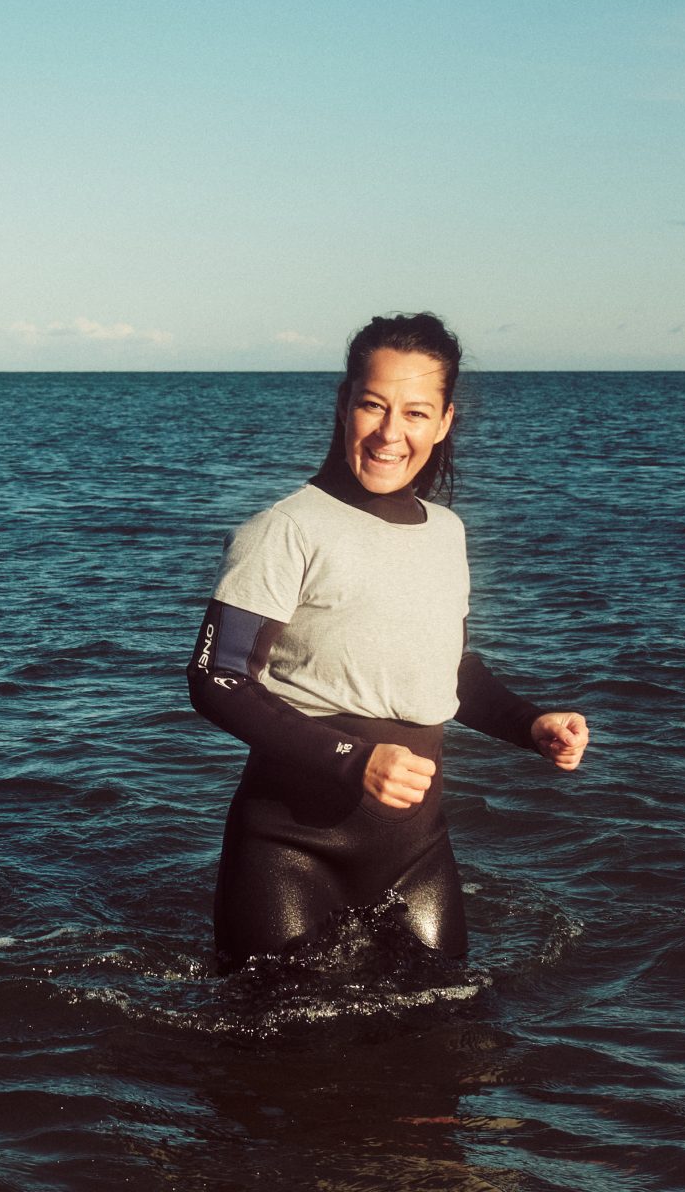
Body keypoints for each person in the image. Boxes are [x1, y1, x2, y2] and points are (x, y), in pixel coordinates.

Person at [188, 312, 589, 971]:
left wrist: (530, 723)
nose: (390, 433)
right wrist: (353, 758)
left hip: (416, 854)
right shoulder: (285, 530)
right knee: (272, 1064)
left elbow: (448, 670)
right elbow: (217, 678)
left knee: (449, 1045)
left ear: (444, 421)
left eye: (415, 412)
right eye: (374, 405)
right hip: (289, 853)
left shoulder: (446, 533)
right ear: (345, 403)